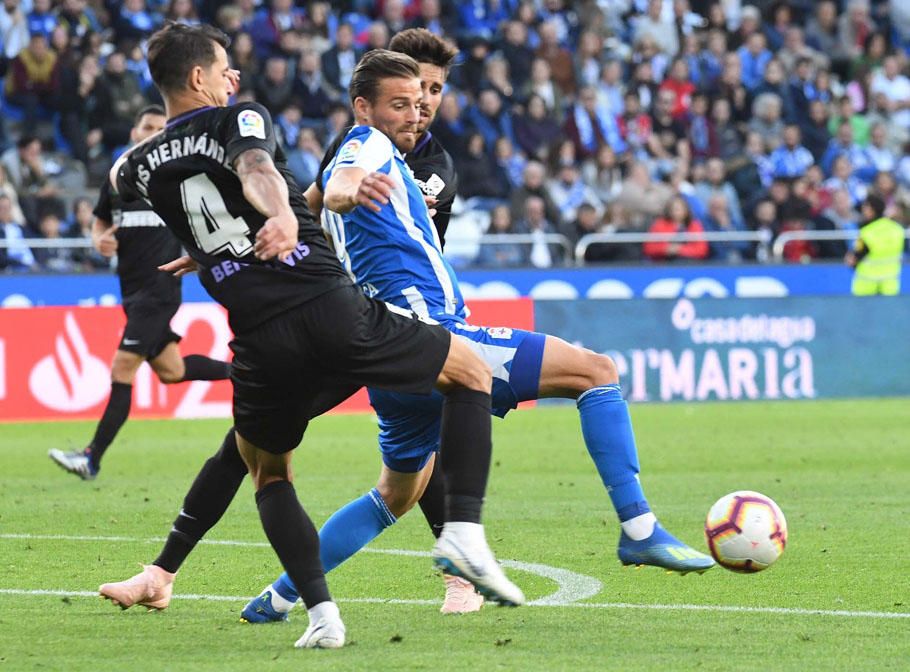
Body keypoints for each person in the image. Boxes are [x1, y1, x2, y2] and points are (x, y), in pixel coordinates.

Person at [242, 29, 714, 626]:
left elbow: (313, 200)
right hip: (428, 338)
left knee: (395, 494)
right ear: (363, 107)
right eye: (404, 103)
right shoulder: (365, 145)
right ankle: (639, 528)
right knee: (597, 373)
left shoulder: (378, 151)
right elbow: (335, 190)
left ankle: (278, 598)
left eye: (423, 101)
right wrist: (345, 192)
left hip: (392, 356)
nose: (417, 113)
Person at [95, 24, 523, 651]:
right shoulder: (249, 122)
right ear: (198, 80)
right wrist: (276, 217)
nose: (424, 104)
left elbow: (210, 201)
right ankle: (462, 542)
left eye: (432, 91)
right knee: (458, 383)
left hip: (263, 334)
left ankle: (270, 599)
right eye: (223, 69)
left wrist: (213, 248)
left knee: (265, 464)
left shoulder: (130, 166)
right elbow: (262, 172)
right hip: (340, 308)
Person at [48, 106, 232, 481]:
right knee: (171, 370)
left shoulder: (173, 179)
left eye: (159, 128)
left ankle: (91, 458)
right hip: (132, 294)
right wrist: (99, 236)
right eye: (146, 127)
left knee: (122, 367)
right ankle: (248, 373)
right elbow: (101, 219)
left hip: (159, 291)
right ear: (134, 131)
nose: (151, 133)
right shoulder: (118, 181)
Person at [846, 194, 905, 296]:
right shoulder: (898, 229)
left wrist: (850, 259)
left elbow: (853, 259)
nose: (863, 210)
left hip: (866, 285)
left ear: (872, 209)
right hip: (890, 284)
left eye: (865, 207)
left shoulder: (866, 232)